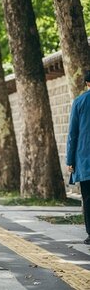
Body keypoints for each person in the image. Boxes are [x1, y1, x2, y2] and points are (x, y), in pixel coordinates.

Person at [67, 70, 90, 245]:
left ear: (87, 84)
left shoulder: (80, 102)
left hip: (85, 159)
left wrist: (70, 161)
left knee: (88, 197)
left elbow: (73, 134)